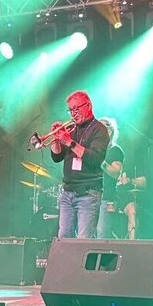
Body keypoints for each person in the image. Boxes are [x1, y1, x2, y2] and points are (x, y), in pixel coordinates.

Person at [48, 90, 110, 239]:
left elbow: (95, 158)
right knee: (63, 237)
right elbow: (57, 157)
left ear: (88, 106)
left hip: (88, 193)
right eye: (70, 110)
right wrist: (56, 139)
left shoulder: (99, 130)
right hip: (68, 192)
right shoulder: (71, 129)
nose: (73, 113)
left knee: (83, 240)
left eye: (76, 108)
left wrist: (69, 142)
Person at [96, 118, 124, 239]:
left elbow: (116, 172)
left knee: (102, 231)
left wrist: (100, 161)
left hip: (106, 198)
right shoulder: (94, 149)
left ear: (110, 131)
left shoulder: (115, 150)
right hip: (90, 196)